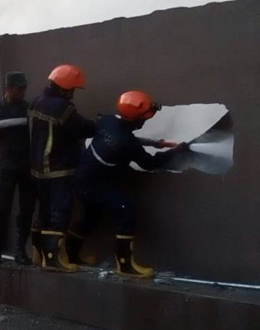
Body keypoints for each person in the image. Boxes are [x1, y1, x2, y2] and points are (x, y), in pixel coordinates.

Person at [68, 91, 184, 277]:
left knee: (91, 217)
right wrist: (174, 152)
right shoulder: (126, 142)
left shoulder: (107, 121)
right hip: (95, 184)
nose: (145, 121)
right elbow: (149, 163)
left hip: (83, 178)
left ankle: (70, 255)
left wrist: (157, 143)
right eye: (143, 118)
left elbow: (123, 136)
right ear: (135, 119)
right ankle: (125, 265)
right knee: (126, 213)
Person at [29, 64, 95, 272]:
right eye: (72, 89)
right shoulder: (62, 107)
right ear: (64, 88)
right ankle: (53, 260)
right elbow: (82, 127)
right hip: (58, 169)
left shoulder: (36, 101)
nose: (73, 94)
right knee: (61, 212)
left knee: (44, 211)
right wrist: (99, 125)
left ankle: (38, 254)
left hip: (38, 169)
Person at [0, 72, 37, 265]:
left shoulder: (28, 108)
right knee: (1, 209)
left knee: (26, 209)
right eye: (19, 88)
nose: (22, 92)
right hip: (6, 165)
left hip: (26, 164)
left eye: (24, 88)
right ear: (8, 88)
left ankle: (20, 251)